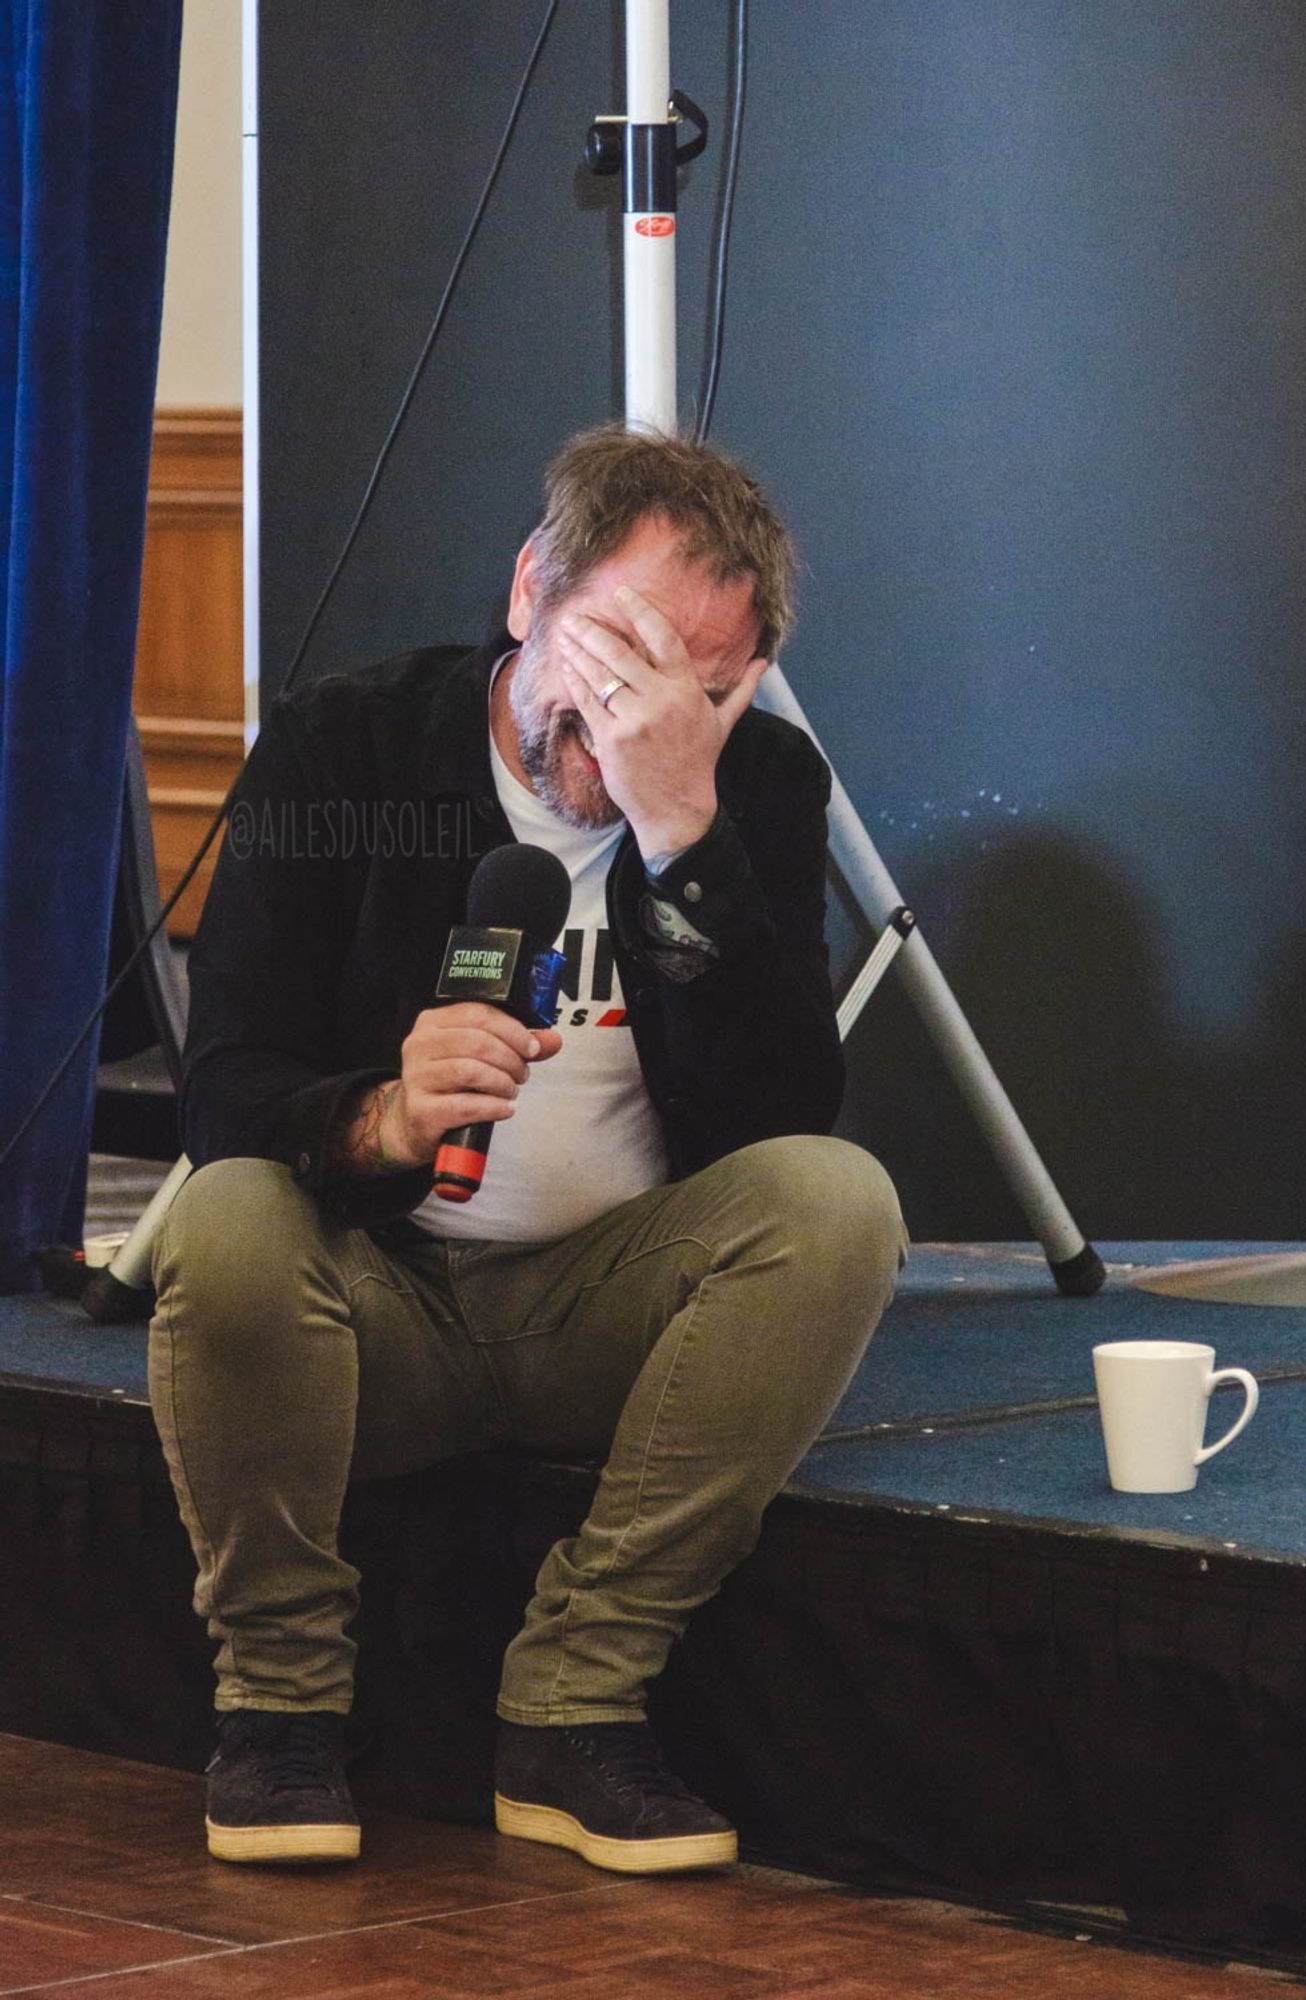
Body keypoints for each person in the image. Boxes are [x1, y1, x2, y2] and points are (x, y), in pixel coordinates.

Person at [149, 425, 906, 1875]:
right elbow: (224, 1081)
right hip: (370, 1305)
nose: (627, 716)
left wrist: (681, 829)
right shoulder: (347, 741)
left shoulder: (750, 783)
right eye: (613, 649)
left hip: (601, 1312)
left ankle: (575, 1704)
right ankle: (281, 1709)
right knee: (227, 1216)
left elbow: (776, 1120)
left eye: (689, 683)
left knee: (834, 1202)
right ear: (526, 596)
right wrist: (372, 1116)